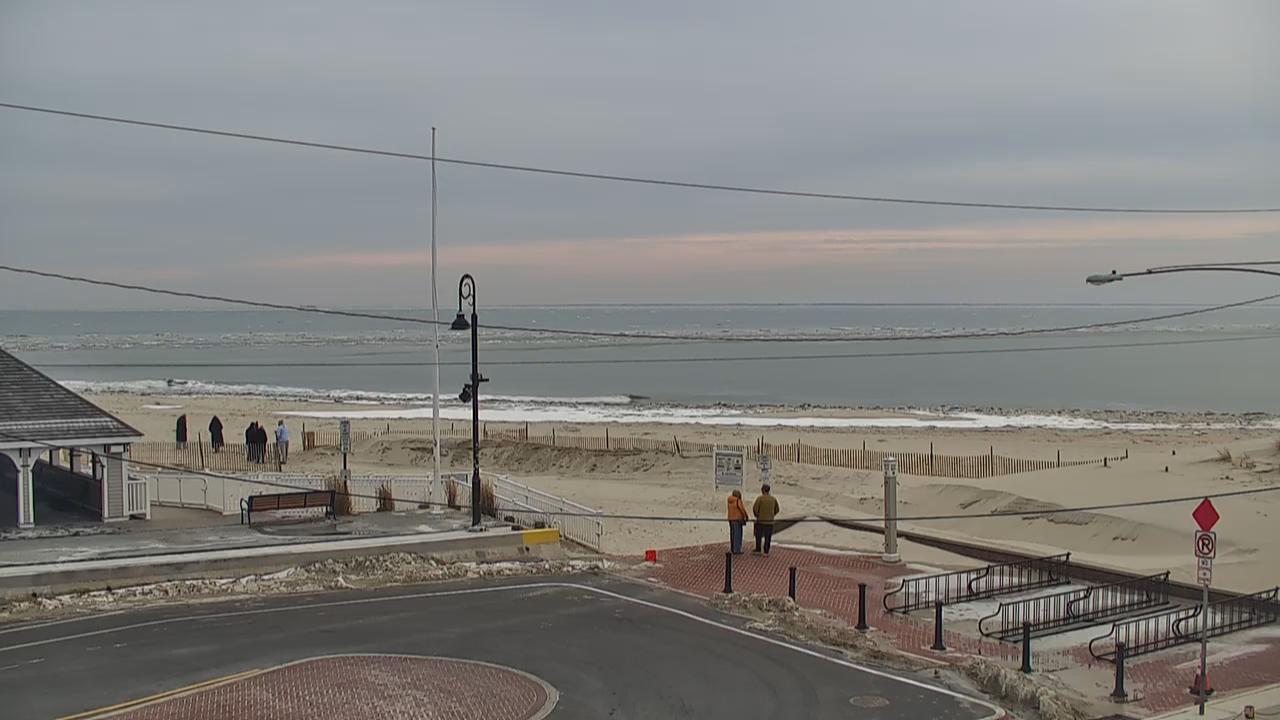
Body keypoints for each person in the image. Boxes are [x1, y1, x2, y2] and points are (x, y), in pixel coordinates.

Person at [752, 483, 780, 555]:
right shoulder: (773, 499)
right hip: (770, 521)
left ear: (762, 490)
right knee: (768, 537)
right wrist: (772, 515)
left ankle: (758, 549)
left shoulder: (760, 498)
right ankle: (766, 551)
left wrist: (757, 515)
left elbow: (755, 509)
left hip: (760, 520)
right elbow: (777, 509)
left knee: (758, 536)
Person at [726, 489, 748, 554]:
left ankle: (733, 548)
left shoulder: (729, 500)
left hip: (731, 518)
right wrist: (746, 516)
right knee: (738, 534)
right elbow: (742, 509)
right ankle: (737, 549)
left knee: (732, 534)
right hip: (738, 519)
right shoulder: (738, 500)